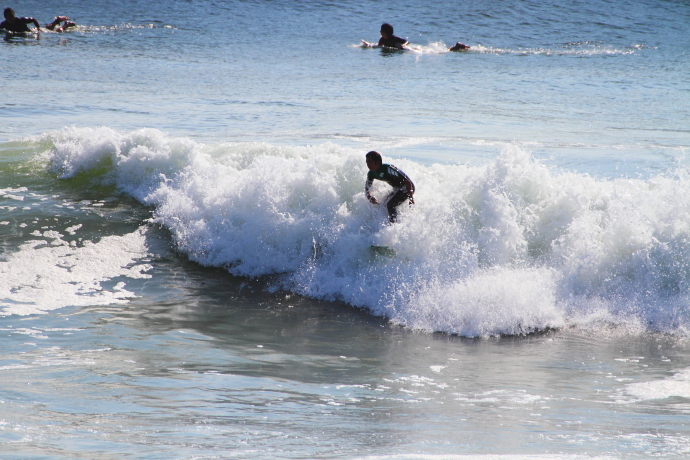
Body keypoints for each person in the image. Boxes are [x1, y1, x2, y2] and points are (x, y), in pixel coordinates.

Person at [365, 151, 415, 223]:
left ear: (378, 162)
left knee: (390, 205)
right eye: (367, 162)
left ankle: (394, 225)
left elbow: (407, 181)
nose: (368, 164)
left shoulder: (388, 168)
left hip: (407, 187)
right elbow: (367, 188)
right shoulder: (371, 174)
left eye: (370, 162)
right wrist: (370, 197)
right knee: (384, 203)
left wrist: (411, 198)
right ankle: (397, 221)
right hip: (397, 189)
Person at [0, 7, 75, 33]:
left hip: (32, 31)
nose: (11, 18)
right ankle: (56, 21)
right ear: (5, 17)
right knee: (47, 28)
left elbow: (33, 19)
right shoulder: (3, 24)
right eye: (9, 16)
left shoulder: (20, 20)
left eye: (12, 15)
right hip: (33, 30)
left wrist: (38, 29)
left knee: (56, 32)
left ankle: (66, 25)